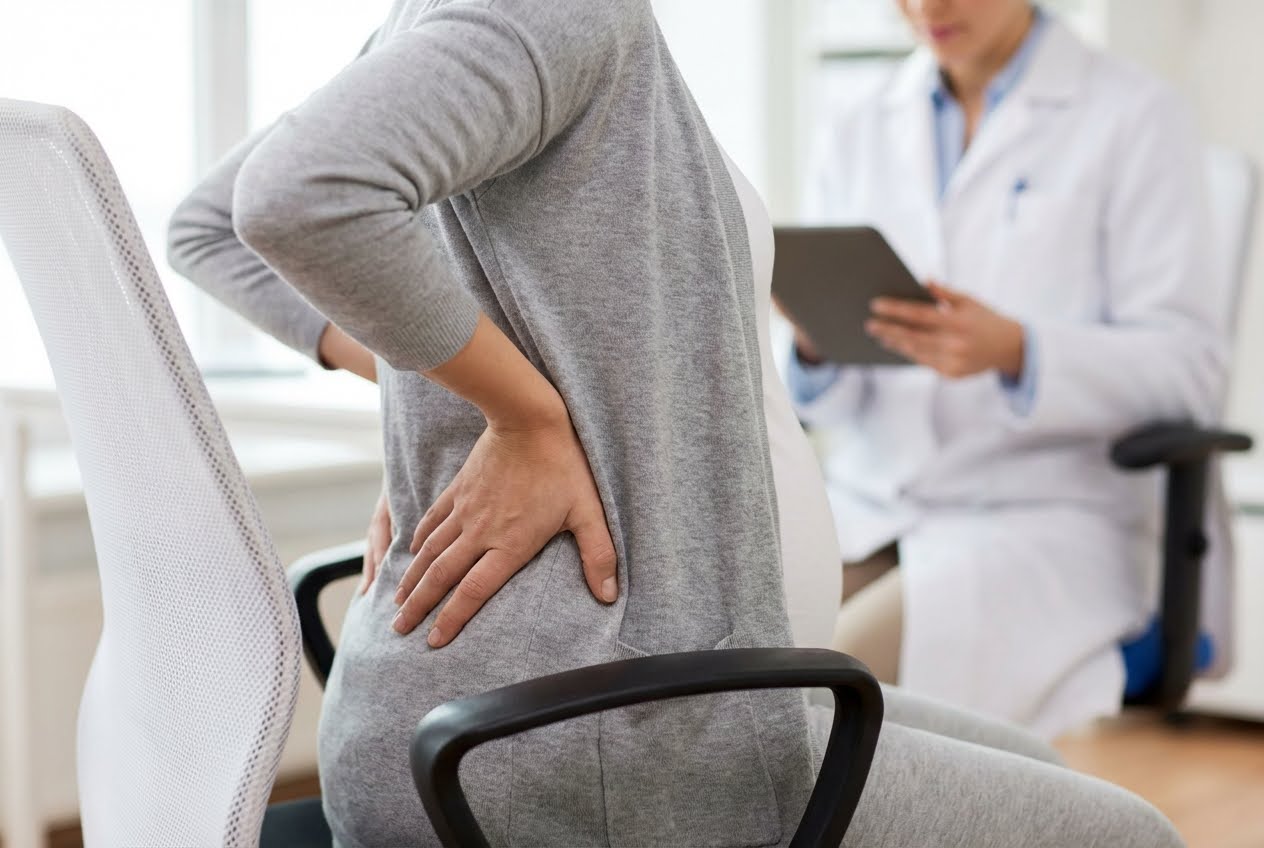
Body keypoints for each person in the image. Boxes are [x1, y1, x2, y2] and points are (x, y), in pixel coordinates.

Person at [168, 1, 1184, 844]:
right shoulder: (560, 9)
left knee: (1033, 768)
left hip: (602, 707)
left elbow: (223, 222)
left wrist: (437, 386)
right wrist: (511, 413)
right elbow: (286, 205)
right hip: (617, 732)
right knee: (1132, 836)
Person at [785, 0, 1227, 737]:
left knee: (825, 699)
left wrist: (1019, 350)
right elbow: (831, 401)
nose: (929, 7)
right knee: (734, 678)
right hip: (875, 504)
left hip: (1041, 524)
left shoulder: (1135, 116)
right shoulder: (859, 120)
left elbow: (1189, 369)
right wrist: (813, 346)